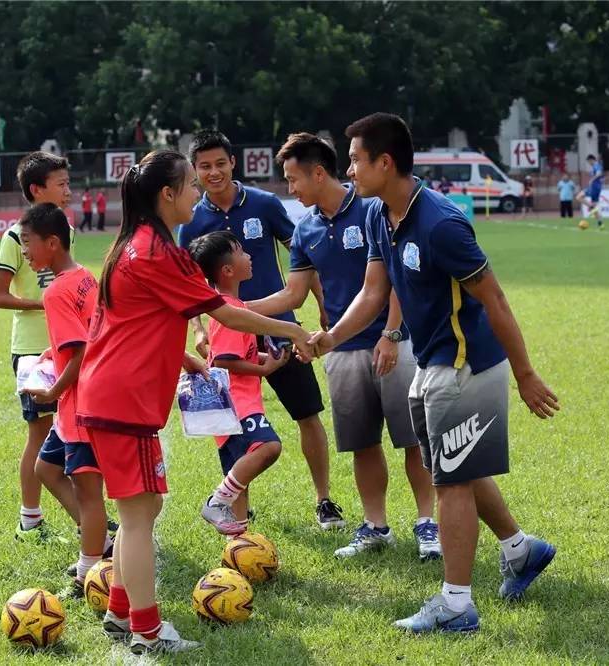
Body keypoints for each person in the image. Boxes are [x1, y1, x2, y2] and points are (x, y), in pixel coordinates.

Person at [311, 113, 559, 634]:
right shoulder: (379, 214)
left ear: (385, 162)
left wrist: (526, 374)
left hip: (466, 365)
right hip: (431, 362)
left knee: (450, 483)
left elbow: (495, 299)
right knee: (454, 468)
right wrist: (332, 336)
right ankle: (521, 550)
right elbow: (373, 292)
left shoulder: (440, 223)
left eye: (355, 160)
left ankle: (456, 605)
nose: (349, 170)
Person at [76, 150, 315, 654]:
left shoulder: (134, 245)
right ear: (167, 194)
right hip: (123, 400)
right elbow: (226, 312)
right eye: (190, 185)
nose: (197, 193)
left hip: (113, 395)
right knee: (138, 516)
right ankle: (146, 632)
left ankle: (121, 613)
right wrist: (291, 329)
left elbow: (130, 322)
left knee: (146, 506)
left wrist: (183, 358)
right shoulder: (156, 252)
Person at [248, 133, 441, 562]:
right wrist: (237, 309)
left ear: (319, 173)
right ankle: (376, 526)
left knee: (413, 440)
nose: (290, 189)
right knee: (362, 442)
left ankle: (428, 523)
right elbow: (293, 294)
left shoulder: (372, 208)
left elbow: (395, 277)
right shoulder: (306, 229)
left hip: (395, 343)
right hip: (341, 348)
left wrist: (392, 333)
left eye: (293, 179)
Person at [178, 130, 344, 530]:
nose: (214, 172)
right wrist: (199, 329)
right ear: (195, 171)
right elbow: (189, 286)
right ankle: (238, 508)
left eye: (220, 163)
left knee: (307, 413)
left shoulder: (265, 204)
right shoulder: (192, 220)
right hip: (227, 334)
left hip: (278, 329)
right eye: (205, 166)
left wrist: (321, 302)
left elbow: (302, 255)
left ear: (233, 163)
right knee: (236, 424)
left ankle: (323, 499)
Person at [17, 203, 109, 600]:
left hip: (81, 404)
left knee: (88, 491)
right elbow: (84, 338)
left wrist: (53, 392)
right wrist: (51, 355)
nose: (24, 251)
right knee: (46, 468)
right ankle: (101, 541)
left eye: (27, 242)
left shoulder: (56, 292)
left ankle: (89, 570)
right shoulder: (83, 275)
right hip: (81, 402)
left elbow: (81, 352)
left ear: (52, 243)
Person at [0, 151, 81, 543]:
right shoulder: (16, 237)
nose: (68, 190)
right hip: (32, 349)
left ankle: (87, 515)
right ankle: (29, 521)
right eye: (61, 184)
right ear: (37, 189)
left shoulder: (66, 230)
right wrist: (45, 304)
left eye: (67, 182)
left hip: (66, 344)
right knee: (40, 435)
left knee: (72, 430)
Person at [188, 231, 288, 536]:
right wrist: (264, 369)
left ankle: (239, 544)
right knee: (269, 447)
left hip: (230, 409)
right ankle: (216, 501)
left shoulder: (230, 306)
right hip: (238, 406)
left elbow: (234, 353)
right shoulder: (231, 309)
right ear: (228, 270)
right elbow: (223, 361)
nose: (249, 256)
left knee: (240, 483)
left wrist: (268, 358)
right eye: (241, 251)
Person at [576, 154, 604, 228]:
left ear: (591, 160)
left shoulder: (596, 165)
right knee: (594, 209)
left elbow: (599, 173)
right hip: (597, 188)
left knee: (578, 197)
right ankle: (600, 224)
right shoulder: (596, 166)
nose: (589, 163)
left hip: (594, 187)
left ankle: (591, 206)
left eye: (588, 161)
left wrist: (592, 180)